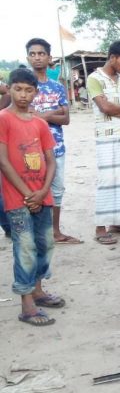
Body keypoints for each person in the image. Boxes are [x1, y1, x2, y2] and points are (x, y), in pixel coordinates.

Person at [0, 68, 64, 326]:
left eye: (29, 90)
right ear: (9, 89)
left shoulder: (39, 123)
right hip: (18, 198)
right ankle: (27, 304)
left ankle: (38, 290)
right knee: (25, 247)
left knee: (45, 243)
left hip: (42, 195)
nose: (23, 95)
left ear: (36, 93)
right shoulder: (3, 118)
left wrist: (42, 191)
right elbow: (3, 161)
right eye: (18, 89)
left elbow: (51, 160)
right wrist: (28, 194)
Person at [26, 38, 82, 244]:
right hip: (28, 149)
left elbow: (65, 119)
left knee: (56, 189)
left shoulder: (57, 87)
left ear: (49, 58)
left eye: (41, 54)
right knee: (31, 190)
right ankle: (32, 232)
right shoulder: (23, 86)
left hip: (55, 147)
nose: (37, 57)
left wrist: (42, 115)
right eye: (32, 54)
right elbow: (22, 116)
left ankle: (55, 232)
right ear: (27, 57)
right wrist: (53, 112)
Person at [86, 40, 120, 245]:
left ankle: (118, 224)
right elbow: (105, 108)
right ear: (112, 58)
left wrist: (118, 108)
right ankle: (100, 228)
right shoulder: (94, 79)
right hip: (105, 138)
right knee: (107, 181)